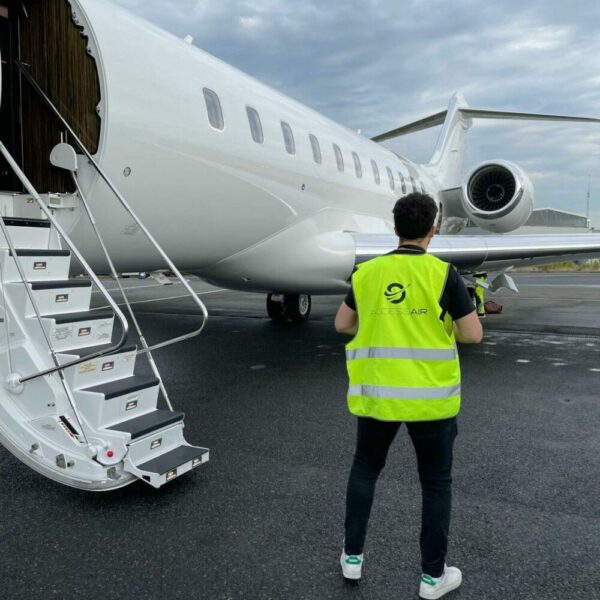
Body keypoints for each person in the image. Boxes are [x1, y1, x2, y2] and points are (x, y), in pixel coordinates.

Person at [335, 193, 483, 599]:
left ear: (395, 227)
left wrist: (382, 323)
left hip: (378, 396)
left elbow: (342, 325)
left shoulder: (367, 272)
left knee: (365, 470)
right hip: (432, 402)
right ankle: (433, 578)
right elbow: (472, 334)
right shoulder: (443, 273)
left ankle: (352, 559)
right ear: (432, 230)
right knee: (435, 484)